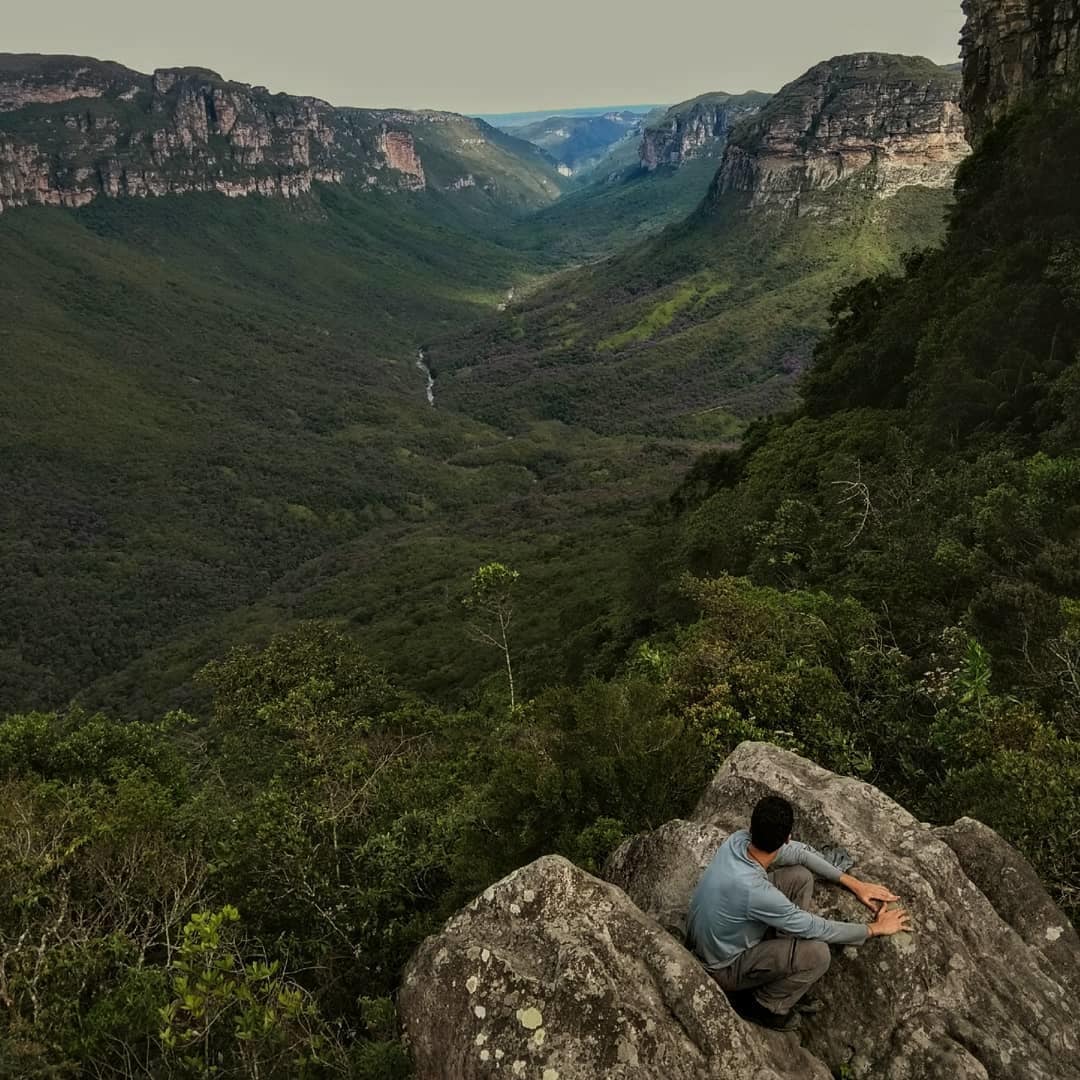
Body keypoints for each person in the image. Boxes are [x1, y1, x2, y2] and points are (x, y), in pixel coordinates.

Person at [686, 795, 911, 1031]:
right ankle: (764, 1005)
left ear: (751, 827)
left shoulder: (737, 841)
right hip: (722, 967)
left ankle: (781, 962)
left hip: (713, 938)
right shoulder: (756, 891)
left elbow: (801, 855)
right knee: (818, 954)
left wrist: (855, 884)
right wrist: (874, 929)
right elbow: (817, 928)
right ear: (787, 837)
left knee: (800, 877)